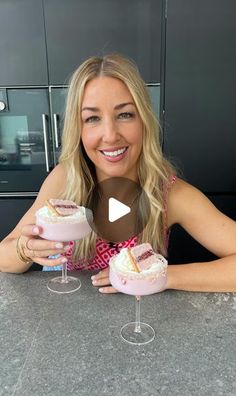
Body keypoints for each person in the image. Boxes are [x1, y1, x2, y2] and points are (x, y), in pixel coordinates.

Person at [0, 54, 235, 293]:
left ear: (144, 120)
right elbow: (3, 258)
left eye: (125, 114)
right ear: (77, 130)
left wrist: (161, 277)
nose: (110, 135)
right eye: (92, 118)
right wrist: (23, 249)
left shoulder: (169, 194)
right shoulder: (65, 178)